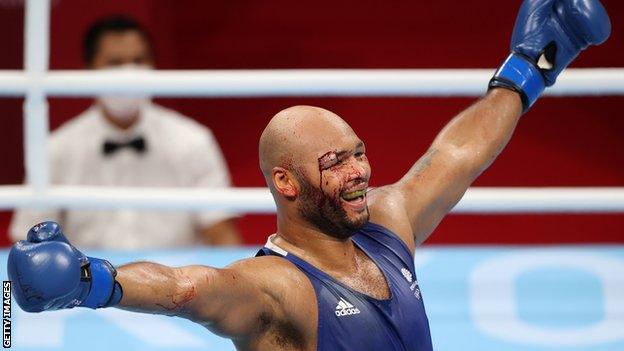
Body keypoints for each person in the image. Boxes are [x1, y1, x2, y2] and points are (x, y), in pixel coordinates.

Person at [7, 1, 610, 350]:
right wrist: (91, 279)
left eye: (359, 153)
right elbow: (185, 287)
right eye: (335, 162)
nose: (358, 174)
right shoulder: (277, 288)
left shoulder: (386, 224)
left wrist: (527, 71)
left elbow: (458, 154)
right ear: (286, 184)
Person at [10, 15, 241, 248]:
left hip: (179, 280)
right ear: (89, 70)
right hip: (87, 281)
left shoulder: (194, 140)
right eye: (115, 63)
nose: (129, 72)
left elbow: (222, 235)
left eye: (139, 60)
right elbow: (29, 242)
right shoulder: (57, 148)